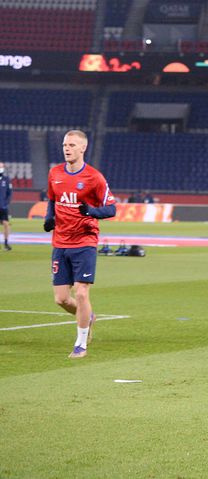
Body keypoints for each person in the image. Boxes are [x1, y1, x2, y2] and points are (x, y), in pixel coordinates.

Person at [45, 130, 117, 358]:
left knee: (82, 294)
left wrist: (92, 211)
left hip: (85, 241)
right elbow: (52, 199)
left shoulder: (94, 177)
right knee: (61, 299)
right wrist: (49, 218)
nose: (67, 148)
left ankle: (81, 344)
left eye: (72, 145)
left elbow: (112, 208)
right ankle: (89, 316)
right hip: (60, 242)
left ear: (83, 148)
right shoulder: (55, 173)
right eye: (65, 144)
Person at [0, 162, 12, 251]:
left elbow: (9, 193)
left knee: (6, 224)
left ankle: (6, 243)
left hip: (3, 206)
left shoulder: (6, 179)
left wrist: (6, 203)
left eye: (1, 167)